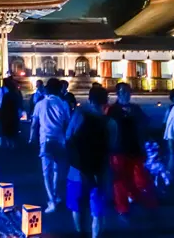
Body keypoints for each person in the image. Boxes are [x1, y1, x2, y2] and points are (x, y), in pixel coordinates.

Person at [65, 85, 117, 238]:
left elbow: (68, 137)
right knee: (97, 212)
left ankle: (80, 233)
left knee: (77, 207)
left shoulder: (79, 115)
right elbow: (112, 146)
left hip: (77, 171)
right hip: (99, 172)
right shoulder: (110, 123)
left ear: (89, 100)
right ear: (106, 102)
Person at [106, 82, 156, 219]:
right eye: (123, 92)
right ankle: (122, 208)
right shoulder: (112, 110)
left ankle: (141, 200)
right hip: (119, 149)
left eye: (128, 91)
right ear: (118, 94)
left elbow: (145, 123)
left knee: (141, 178)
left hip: (136, 148)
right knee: (120, 180)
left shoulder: (135, 109)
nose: (126, 94)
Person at [29, 77, 71, 213]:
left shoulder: (40, 104)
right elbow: (67, 123)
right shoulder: (64, 104)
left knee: (46, 172)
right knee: (57, 170)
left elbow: (34, 124)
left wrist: (31, 138)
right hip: (60, 140)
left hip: (45, 141)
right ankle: (56, 194)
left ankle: (51, 200)